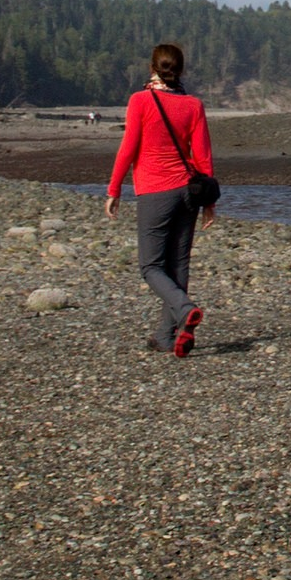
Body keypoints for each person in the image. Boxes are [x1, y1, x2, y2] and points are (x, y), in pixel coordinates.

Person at [104, 43, 215, 357]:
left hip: (155, 191)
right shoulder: (193, 105)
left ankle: (184, 308)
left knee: (151, 266)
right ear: (180, 70)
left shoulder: (140, 100)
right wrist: (210, 203)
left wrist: (114, 190)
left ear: (152, 68)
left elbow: (128, 148)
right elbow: (203, 155)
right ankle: (167, 336)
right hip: (188, 192)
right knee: (178, 265)